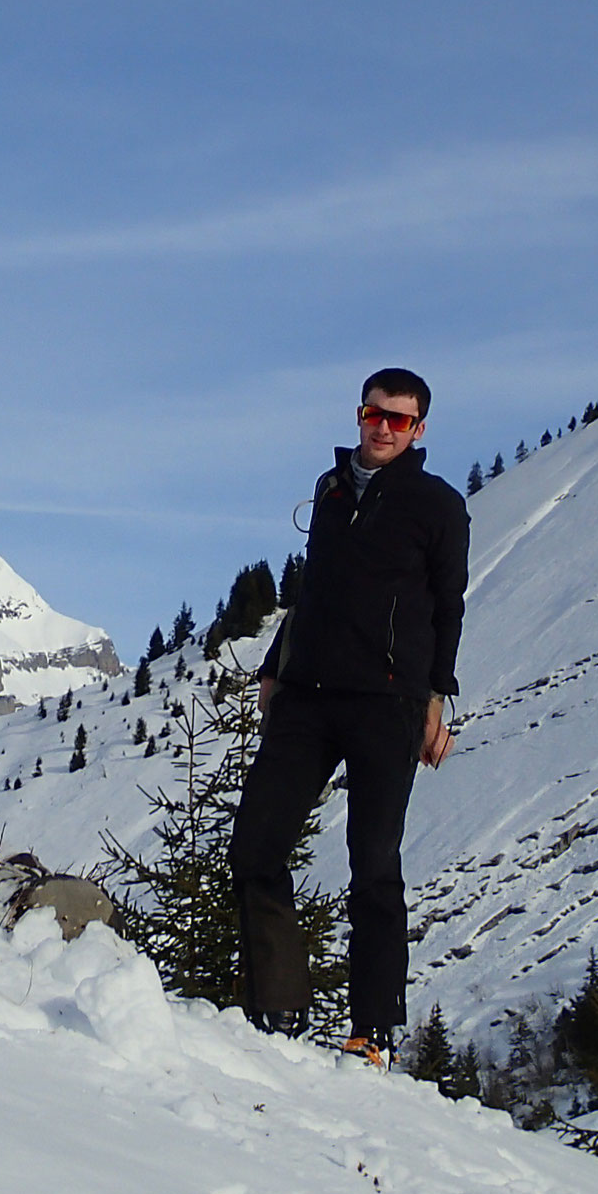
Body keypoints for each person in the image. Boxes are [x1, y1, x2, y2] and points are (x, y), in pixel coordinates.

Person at [229, 366, 469, 1064]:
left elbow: (448, 607)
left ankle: (374, 1029)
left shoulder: (437, 505)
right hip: (308, 696)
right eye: (375, 414)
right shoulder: (332, 492)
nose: (384, 428)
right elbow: (315, 591)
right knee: (255, 847)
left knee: (374, 866)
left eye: (399, 420)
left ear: (419, 429)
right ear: (358, 416)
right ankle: (277, 1008)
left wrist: (435, 699)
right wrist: (277, 665)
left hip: (388, 704)